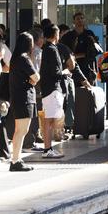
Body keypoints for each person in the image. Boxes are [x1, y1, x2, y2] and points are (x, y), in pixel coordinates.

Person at [8, 32, 39, 172]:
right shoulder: (24, 58)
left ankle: (17, 158)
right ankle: (15, 160)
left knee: (21, 130)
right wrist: (30, 80)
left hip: (17, 97)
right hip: (25, 97)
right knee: (21, 130)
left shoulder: (15, 58)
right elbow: (36, 77)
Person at [39, 25, 64, 159]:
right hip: (52, 89)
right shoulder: (52, 50)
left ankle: (48, 148)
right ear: (55, 35)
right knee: (49, 121)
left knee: (49, 120)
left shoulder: (46, 49)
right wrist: (64, 73)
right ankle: (47, 149)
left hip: (47, 88)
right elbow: (55, 72)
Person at [61, 12, 99, 84]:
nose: (80, 20)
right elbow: (63, 50)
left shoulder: (89, 34)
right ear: (74, 21)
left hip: (88, 68)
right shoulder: (68, 36)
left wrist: (79, 55)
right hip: (74, 68)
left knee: (89, 91)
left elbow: (96, 50)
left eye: (82, 18)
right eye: (78, 19)